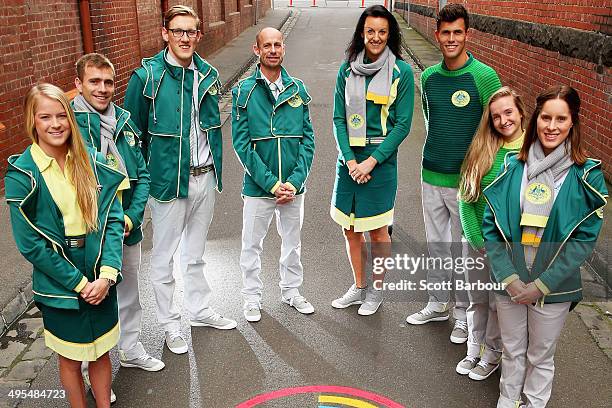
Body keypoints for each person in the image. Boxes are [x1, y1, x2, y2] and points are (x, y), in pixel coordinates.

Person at [482, 85, 607, 407]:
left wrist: (541, 285)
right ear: (535, 119)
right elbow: (490, 228)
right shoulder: (513, 166)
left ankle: (533, 403)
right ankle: (507, 401)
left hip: (553, 287)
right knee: (512, 351)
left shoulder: (587, 176)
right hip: (510, 280)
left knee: (540, 356)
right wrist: (509, 278)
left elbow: (583, 241)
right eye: (546, 118)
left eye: (560, 119)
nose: (552, 126)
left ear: (572, 123)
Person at [124, 4, 237, 355]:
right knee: (164, 259)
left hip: (205, 177)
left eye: (191, 32)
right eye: (178, 31)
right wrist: (143, 179)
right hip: (168, 183)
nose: (185, 38)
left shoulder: (208, 74)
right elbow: (132, 136)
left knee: (196, 254)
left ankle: (200, 310)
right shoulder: (146, 77)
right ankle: (171, 325)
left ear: (198, 35)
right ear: (165, 34)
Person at [5, 84, 126, 407]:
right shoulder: (22, 174)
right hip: (60, 276)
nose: (55, 124)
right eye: (45, 116)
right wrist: (80, 284)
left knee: (101, 351)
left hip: (98, 264)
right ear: (33, 121)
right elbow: (31, 245)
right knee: (71, 359)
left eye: (62, 115)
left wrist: (107, 273)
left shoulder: (88, 161)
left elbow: (113, 218)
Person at [405, 4, 501, 346]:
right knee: (437, 245)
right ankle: (436, 303)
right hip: (431, 174)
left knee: (465, 251)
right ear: (436, 35)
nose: (450, 39)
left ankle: (463, 315)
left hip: (467, 184)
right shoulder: (428, 77)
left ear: (467, 34)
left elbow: (498, 127)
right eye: (445, 33)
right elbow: (432, 121)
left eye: (457, 32)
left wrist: (481, 172)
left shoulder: (484, 77)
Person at [73, 53, 165, 393]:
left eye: (108, 82)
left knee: (128, 293)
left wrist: (130, 216)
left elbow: (141, 175)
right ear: (78, 84)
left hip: (126, 226)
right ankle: (88, 368)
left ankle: (130, 348)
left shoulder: (124, 122)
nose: (102, 89)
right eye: (94, 81)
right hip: (89, 233)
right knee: (92, 300)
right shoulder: (68, 125)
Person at [330, 5, 414, 315]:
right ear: (361, 34)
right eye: (370, 31)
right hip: (349, 161)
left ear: (389, 35)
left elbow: (403, 126)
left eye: (382, 32)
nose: (375, 37)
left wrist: (371, 162)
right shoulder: (346, 69)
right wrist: (351, 161)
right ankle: (359, 286)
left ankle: (377, 290)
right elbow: (338, 118)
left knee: (378, 231)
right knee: (350, 229)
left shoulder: (402, 73)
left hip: (381, 161)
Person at [231, 27, 316, 322]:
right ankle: (252, 298)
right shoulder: (243, 91)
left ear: (284, 48)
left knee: (293, 243)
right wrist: (271, 183)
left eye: (277, 44)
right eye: (266, 45)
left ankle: (292, 291)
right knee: (251, 245)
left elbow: (308, 140)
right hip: (258, 187)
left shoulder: (298, 89)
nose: (272, 50)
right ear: (257, 50)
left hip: (293, 188)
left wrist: (293, 181)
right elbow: (241, 144)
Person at [455, 87, 526, 381]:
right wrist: (475, 238)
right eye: (496, 116)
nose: (503, 120)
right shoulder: (484, 147)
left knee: (500, 304)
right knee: (477, 299)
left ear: (521, 113)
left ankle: (491, 354)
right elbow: (465, 198)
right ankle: (473, 348)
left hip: (508, 247)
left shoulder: (532, 153)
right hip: (476, 242)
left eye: (509, 112)